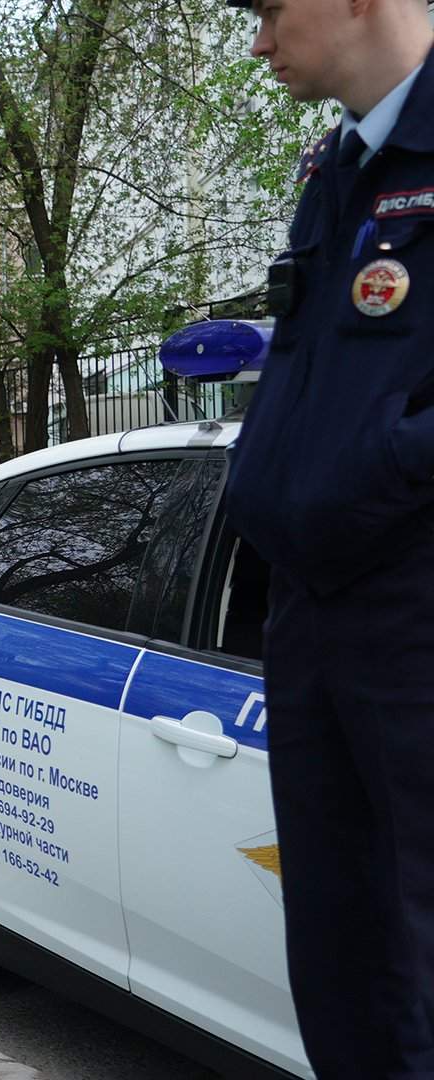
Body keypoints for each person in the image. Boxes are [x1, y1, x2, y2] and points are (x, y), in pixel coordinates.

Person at [223, 1, 434, 1075]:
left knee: (413, 964)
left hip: (409, 611)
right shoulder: (338, 169)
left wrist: (366, 476)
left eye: (268, 8)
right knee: (339, 955)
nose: (258, 40)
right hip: (314, 610)